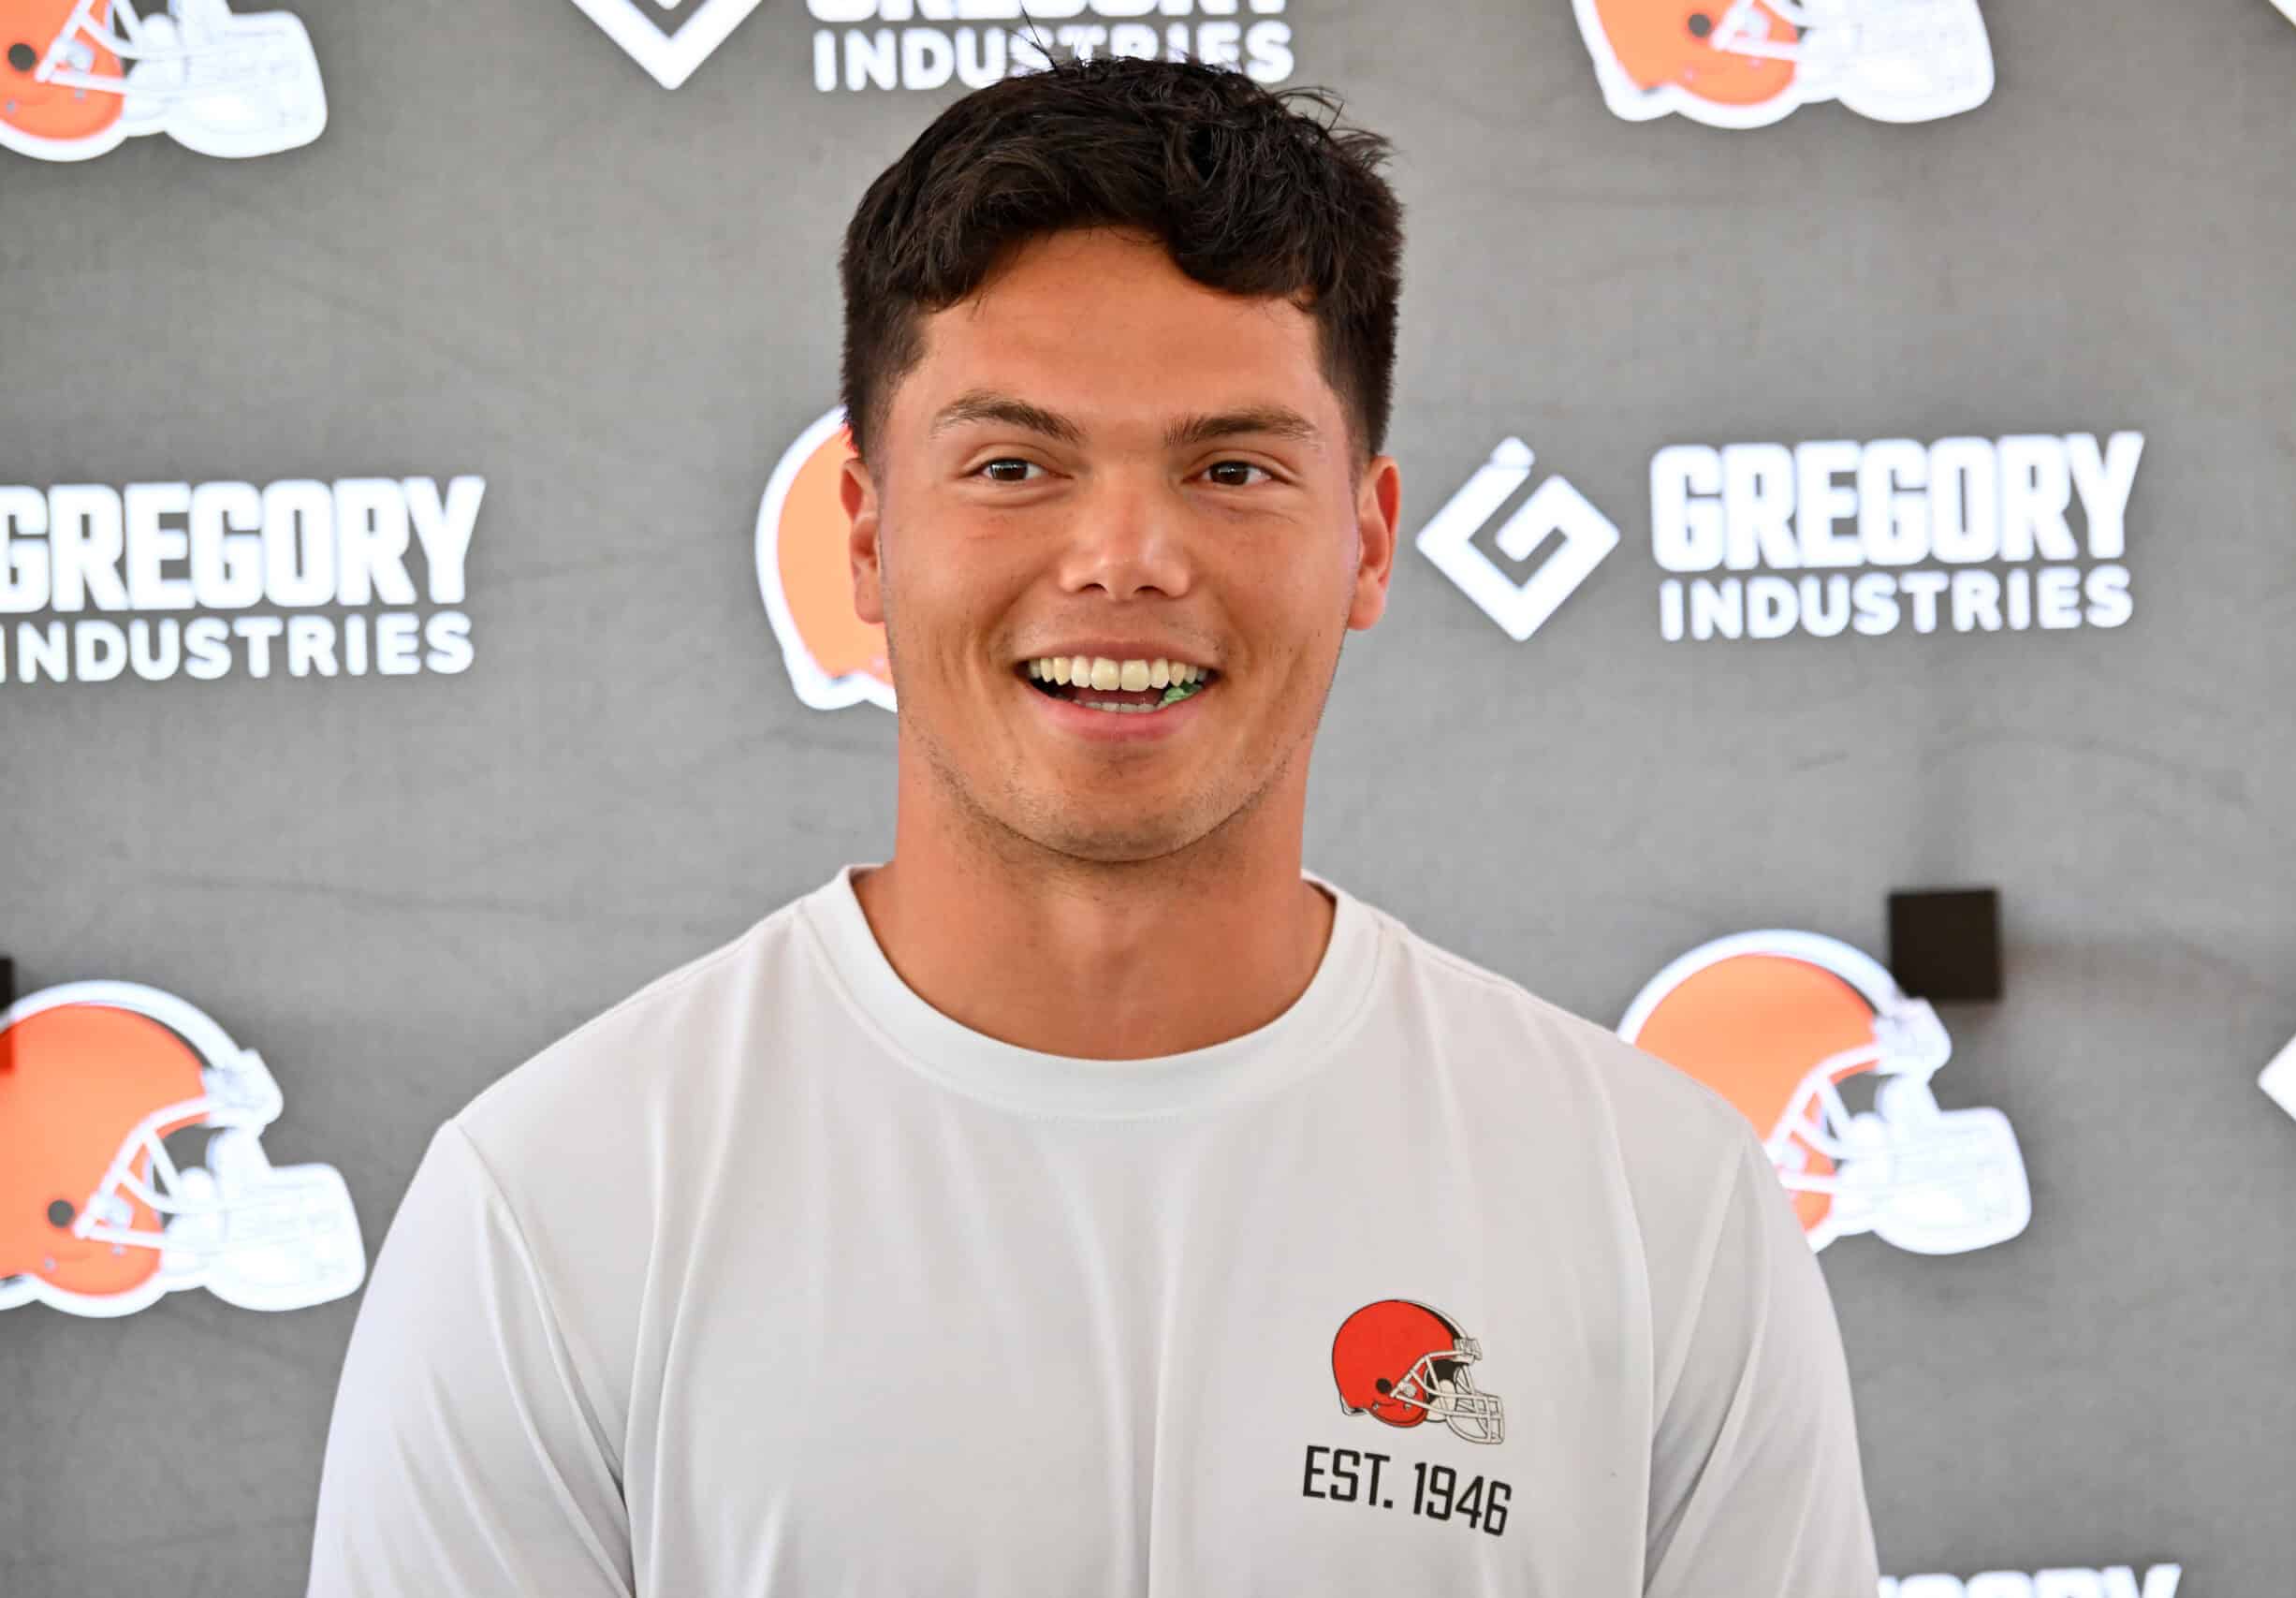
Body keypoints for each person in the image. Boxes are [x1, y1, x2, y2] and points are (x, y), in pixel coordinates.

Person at [306, 54, 1879, 1596]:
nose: (1125, 557)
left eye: (1232, 468)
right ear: (865, 534)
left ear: (1368, 540)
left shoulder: (1657, 1201)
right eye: (1013, 465)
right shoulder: (557, 1204)